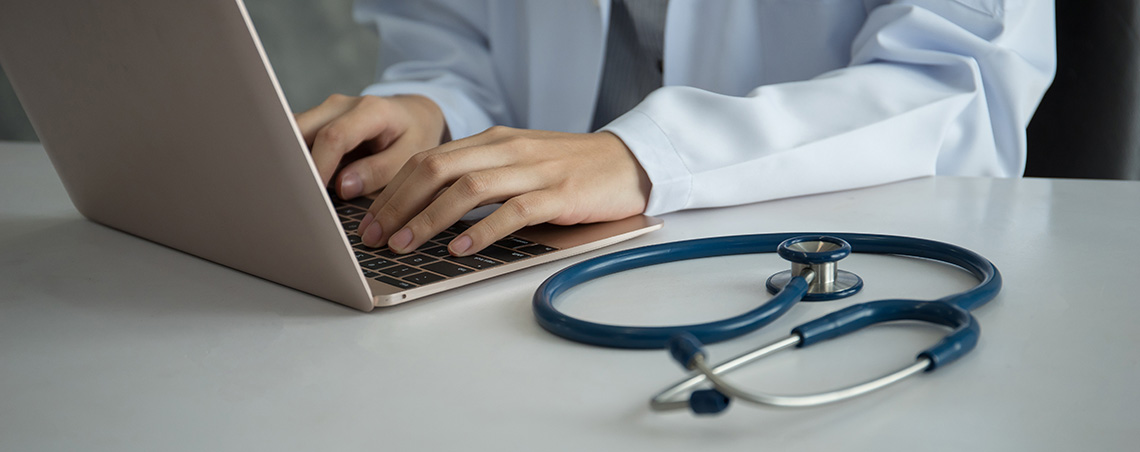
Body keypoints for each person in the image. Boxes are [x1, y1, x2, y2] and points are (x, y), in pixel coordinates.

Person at [295, 0, 1055, 258]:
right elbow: (450, 30)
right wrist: (437, 112)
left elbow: (960, 85)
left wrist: (647, 157)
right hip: (525, 260)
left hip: (818, 261)